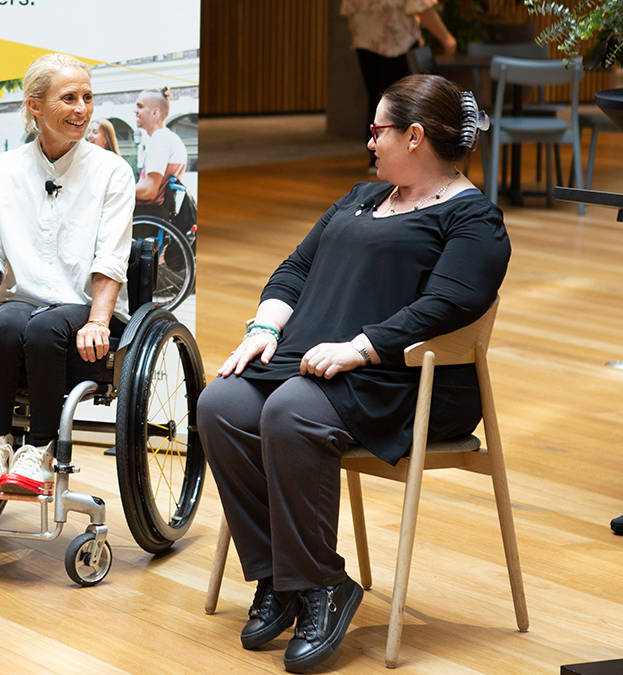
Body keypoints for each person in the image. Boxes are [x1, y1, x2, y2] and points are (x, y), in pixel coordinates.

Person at [197, 74, 506, 673]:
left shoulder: (473, 219)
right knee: (220, 405)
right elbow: (294, 269)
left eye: (378, 130)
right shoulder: (360, 197)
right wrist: (263, 330)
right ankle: (282, 579)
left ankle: (320, 584)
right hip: (313, 362)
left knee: (290, 412)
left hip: (405, 379)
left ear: (414, 136)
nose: (370, 143)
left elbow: (447, 305)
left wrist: (361, 348)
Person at [0, 53, 135, 495]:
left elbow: (110, 259)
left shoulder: (112, 172)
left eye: (87, 98)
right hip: (24, 301)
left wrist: (98, 321)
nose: (82, 109)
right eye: (69, 98)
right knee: (6, 322)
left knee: (43, 330)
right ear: (35, 106)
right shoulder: (1, 171)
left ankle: (38, 451)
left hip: (81, 307)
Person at [341, 0, 457, 171]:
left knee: (378, 98)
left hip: (365, 38)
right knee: (401, 103)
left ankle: (377, 156)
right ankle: (398, 158)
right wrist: (446, 38)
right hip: (397, 40)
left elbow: (348, 8)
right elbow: (421, 6)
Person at [133, 88, 187, 220]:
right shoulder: (172, 138)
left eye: (140, 106)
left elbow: (148, 191)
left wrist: (116, 189)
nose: (135, 111)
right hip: (159, 215)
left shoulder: (160, 140)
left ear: (154, 112)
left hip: (147, 215)